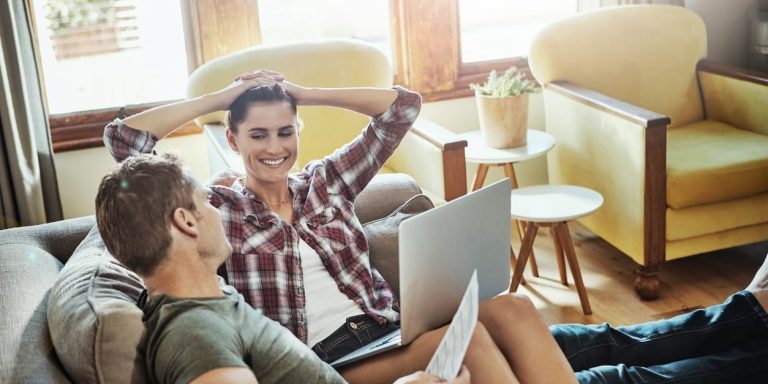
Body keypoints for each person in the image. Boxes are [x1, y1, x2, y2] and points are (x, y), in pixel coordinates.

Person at [104, 69, 768, 383]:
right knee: (474, 330)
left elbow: (402, 109)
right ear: (234, 138)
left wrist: (307, 93)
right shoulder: (219, 206)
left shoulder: (325, 183)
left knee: (509, 304)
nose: (274, 146)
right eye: (257, 135)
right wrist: (224, 96)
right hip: (332, 358)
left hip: (392, 325)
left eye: (285, 131)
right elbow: (124, 139)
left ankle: (746, 321)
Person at [94, 152, 472, 384]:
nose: (218, 211)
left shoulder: (208, 297)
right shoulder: (196, 336)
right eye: (207, 201)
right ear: (186, 222)